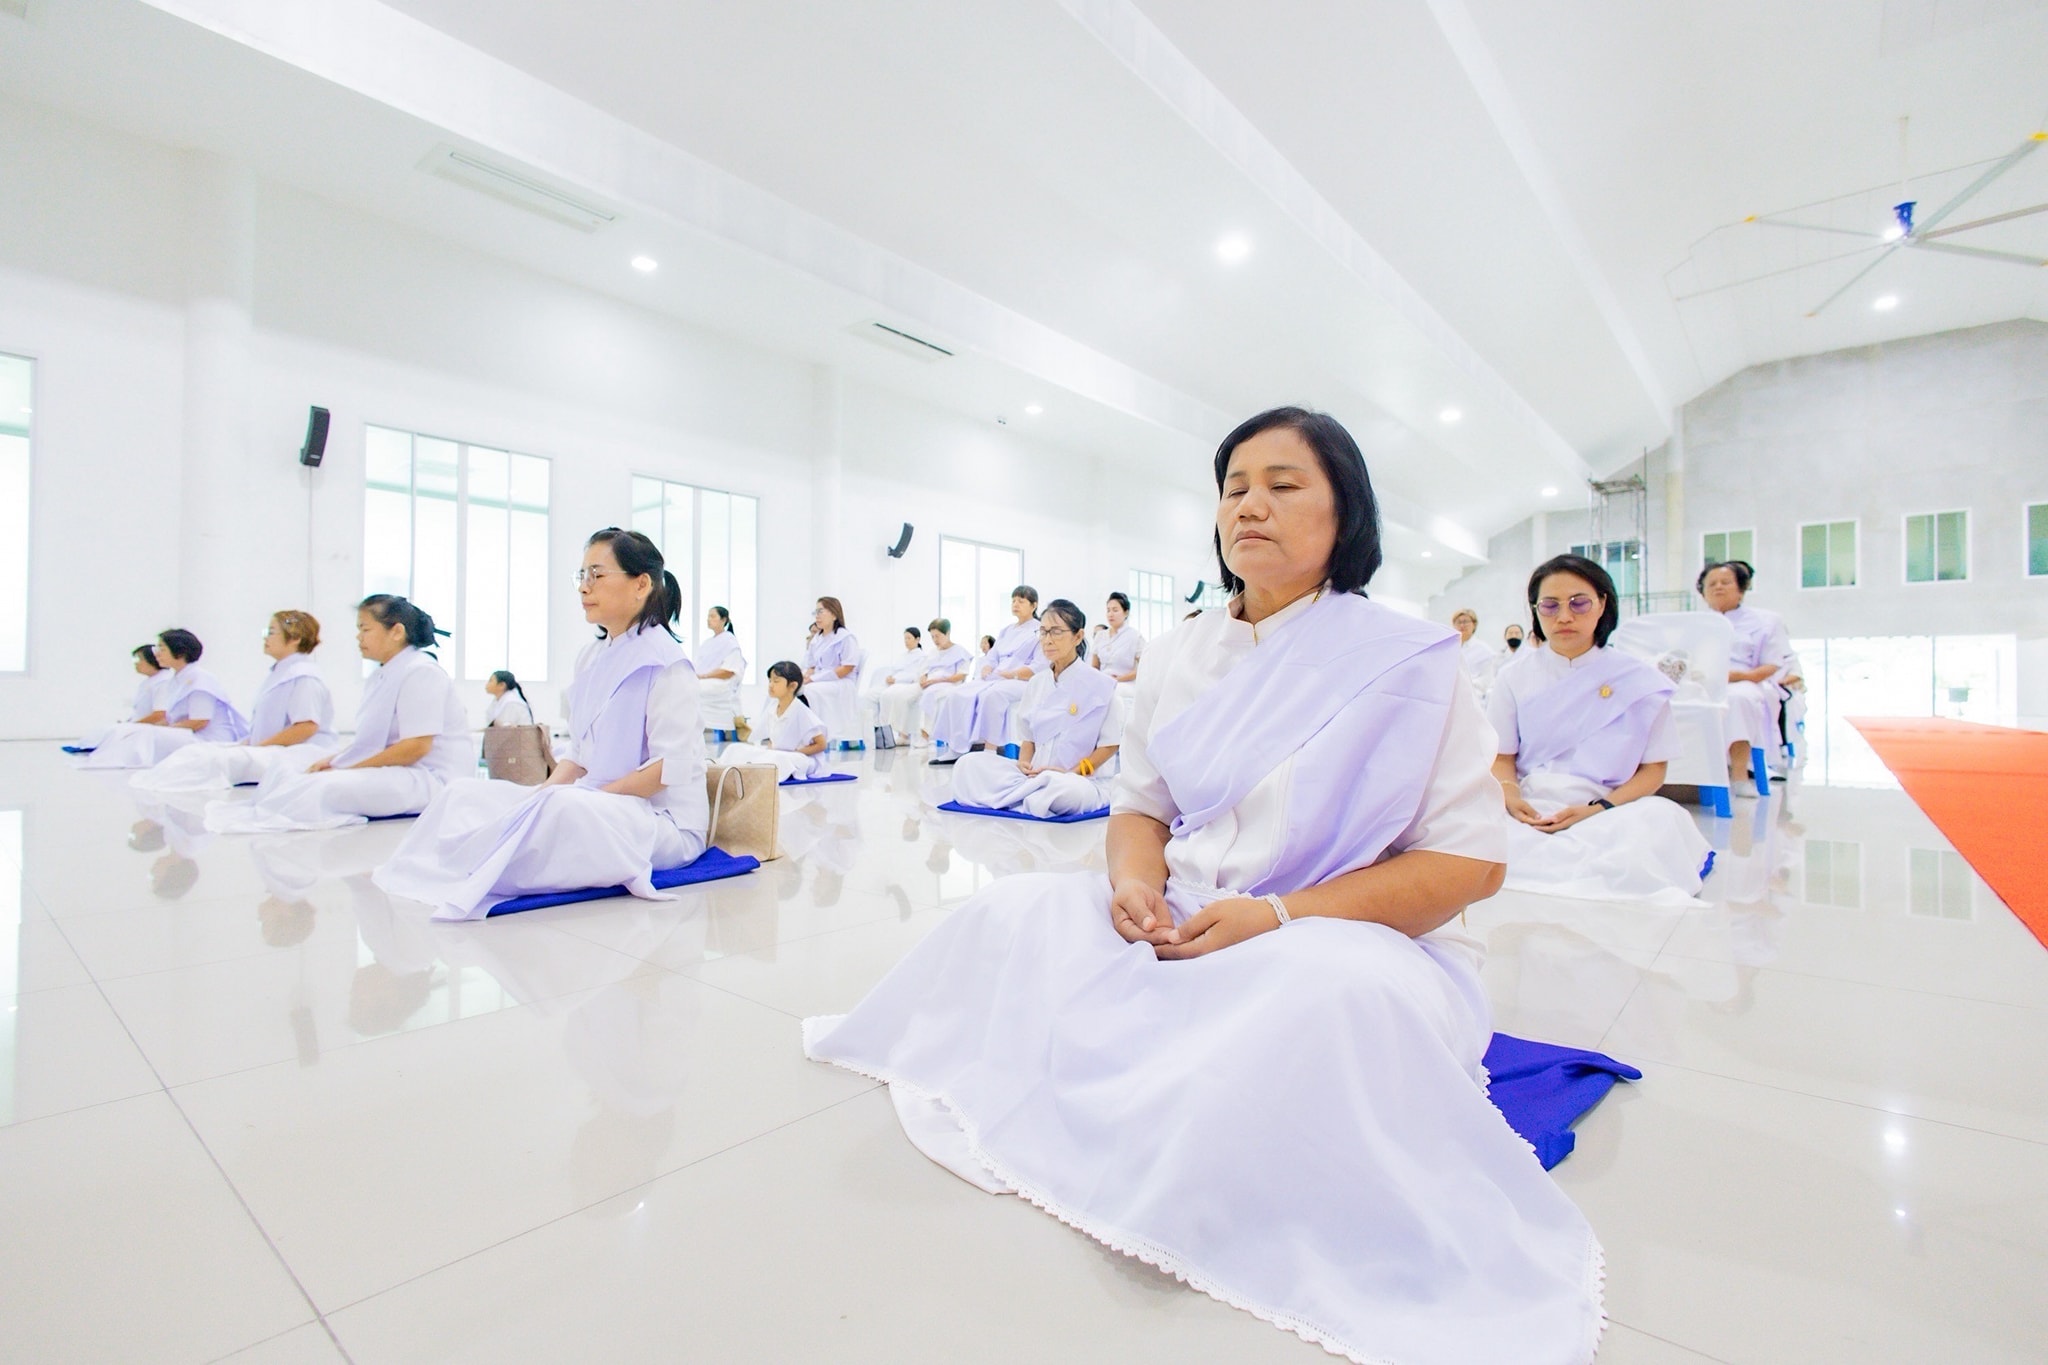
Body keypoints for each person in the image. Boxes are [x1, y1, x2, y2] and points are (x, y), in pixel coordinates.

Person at [805, 407, 1597, 1363]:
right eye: (1233, 488)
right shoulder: (1182, 651)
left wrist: (1277, 914)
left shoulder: (1411, 660)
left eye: (1282, 484)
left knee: (1322, 996)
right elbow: (1139, 807)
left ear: (1345, 512)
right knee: (1014, 912)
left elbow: (1469, 862)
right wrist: (1135, 884)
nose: (1249, 506)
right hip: (1181, 913)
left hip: (1342, 930)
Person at [375, 528, 710, 921]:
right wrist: (540, 795)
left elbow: (665, 770)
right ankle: (456, 865)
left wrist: (582, 798)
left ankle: (475, 867)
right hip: (596, 802)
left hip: (658, 820)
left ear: (641, 584)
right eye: (581, 576)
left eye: (596, 576)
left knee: (560, 807)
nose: (584, 588)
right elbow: (581, 756)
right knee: (465, 795)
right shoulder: (593, 658)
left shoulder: (668, 664)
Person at [1491, 555, 1711, 904]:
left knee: (1657, 822)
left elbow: (1653, 770)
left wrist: (1599, 808)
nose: (1564, 616)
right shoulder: (1512, 676)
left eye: (1579, 603)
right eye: (1550, 606)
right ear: (1536, 611)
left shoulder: (1638, 680)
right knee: (1470, 828)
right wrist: (1511, 797)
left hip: (1612, 807)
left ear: (1602, 604)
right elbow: (1502, 757)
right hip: (1530, 804)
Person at [204, 596, 471, 832]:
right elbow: (373, 742)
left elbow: (416, 747)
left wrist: (349, 766)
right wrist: (338, 759)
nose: (358, 637)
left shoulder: (421, 672)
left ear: (396, 632)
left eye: (365, 629)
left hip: (430, 777)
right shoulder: (384, 675)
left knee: (320, 789)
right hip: (402, 769)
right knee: (289, 775)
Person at [950, 599, 1122, 817]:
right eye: (1043, 632)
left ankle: (1025, 795)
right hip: (1034, 775)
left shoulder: (1102, 686)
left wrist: (1074, 772)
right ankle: (1031, 795)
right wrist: (1023, 765)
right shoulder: (1037, 683)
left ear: (1078, 636)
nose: (1047, 640)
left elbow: (1109, 746)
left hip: (1081, 780)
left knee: (1065, 792)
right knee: (968, 765)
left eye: (1056, 632)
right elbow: (1028, 739)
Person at [133, 611, 337, 792]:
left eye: (272, 631)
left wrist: (258, 747)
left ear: (295, 638)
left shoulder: (304, 676)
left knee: (214, 761)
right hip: (270, 748)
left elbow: (306, 726)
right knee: (196, 752)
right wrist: (249, 744)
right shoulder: (281, 672)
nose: (266, 637)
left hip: (299, 752)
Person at [82, 629, 250, 768]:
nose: (157, 654)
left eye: (162, 649)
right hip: (186, 733)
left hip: (208, 739)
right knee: (136, 732)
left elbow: (200, 721)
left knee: (149, 736)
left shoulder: (199, 679)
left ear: (179, 652)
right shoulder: (175, 680)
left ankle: (120, 762)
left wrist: (165, 729)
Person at [1698, 560, 1797, 795]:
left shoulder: (1765, 621)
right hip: (1703, 682)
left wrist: (1740, 676)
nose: (1718, 587)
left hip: (1744, 681)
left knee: (1737, 700)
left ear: (1741, 589)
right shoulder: (1696, 623)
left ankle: (1739, 774)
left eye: (1725, 582)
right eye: (1711, 584)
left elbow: (1772, 663)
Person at [927, 587, 1046, 759]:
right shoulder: (1007, 630)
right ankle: (956, 747)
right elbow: (993, 656)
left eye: (1021, 601)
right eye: (1013, 600)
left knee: (991, 695)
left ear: (1034, 605)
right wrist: (987, 666)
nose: (1015, 604)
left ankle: (990, 750)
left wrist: (1012, 673)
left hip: (1021, 679)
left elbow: (1038, 666)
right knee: (957, 694)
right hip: (997, 676)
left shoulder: (1039, 631)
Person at [715, 660, 828, 782]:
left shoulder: (801, 711)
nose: (770, 685)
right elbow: (772, 739)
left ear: (792, 686)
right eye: (770, 681)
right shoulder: (772, 708)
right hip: (778, 754)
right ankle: (724, 771)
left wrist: (795, 752)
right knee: (735, 748)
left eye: (776, 681)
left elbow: (821, 744)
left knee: (777, 759)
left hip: (800, 758)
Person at [74, 645, 178, 751]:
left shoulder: (163, 682)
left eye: (139, 659)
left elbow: (160, 714)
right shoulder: (150, 682)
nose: (136, 663)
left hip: (151, 731)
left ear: (152, 659)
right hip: (141, 727)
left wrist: (131, 726)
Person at [801, 597, 861, 745]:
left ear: (834, 615)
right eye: (815, 612)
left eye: (821, 611)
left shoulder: (845, 638)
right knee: (795, 689)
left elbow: (847, 667)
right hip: (820, 680)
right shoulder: (817, 639)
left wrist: (815, 679)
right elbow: (811, 666)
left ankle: (818, 736)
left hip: (841, 682)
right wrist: (806, 677)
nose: (817, 616)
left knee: (811, 692)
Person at [910, 619, 972, 746]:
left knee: (929, 695)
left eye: (937, 636)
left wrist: (936, 680)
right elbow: (924, 669)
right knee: (907, 694)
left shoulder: (959, 651)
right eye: (932, 637)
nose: (935, 640)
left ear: (947, 633)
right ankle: (904, 734)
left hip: (948, 684)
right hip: (930, 683)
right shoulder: (933, 652)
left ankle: (925, 735)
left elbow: (960, 675)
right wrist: (923, 677)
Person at [859, 626, 927, 742]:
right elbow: (895, 670)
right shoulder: (903, 656)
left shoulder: (922, 656)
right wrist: (890, 677)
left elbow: (915, 675)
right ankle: (874, 730)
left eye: (909, 638)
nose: (906, 641)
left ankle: (889, 733)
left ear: (917, 639)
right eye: (905, 638)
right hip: (892, 683)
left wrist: (896, 680)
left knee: (886, 695)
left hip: (904, 685)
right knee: (869, 696)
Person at [693, 606, 747, 733]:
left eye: (712, 616)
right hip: (705, 679)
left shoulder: (730, 642)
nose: (708, 619)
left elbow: (729, 671)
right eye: (708, 616)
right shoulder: (707, 643)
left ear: (723, 620)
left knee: (693, 688)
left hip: (721, 681)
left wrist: (704, 676)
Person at [1091, 592, 1144, 684]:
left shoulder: (1135, 636)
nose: (1110, 614)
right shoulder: (1100, 636)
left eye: (1115, 610)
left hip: (1125, 685)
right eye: (1108, 610)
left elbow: (1144, 668)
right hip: (1102, 683)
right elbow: (1095, 666)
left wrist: (1119, 679)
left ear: (1126, 612)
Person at [1451, 608, 1497, 699]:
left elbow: (1487, 680)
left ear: (1474, 624)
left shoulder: (1484, 650)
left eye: (1465, 621)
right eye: (1458, 622)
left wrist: (1465, 685)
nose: (1462, 625)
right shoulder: (1450, 648)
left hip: (1474, 696)